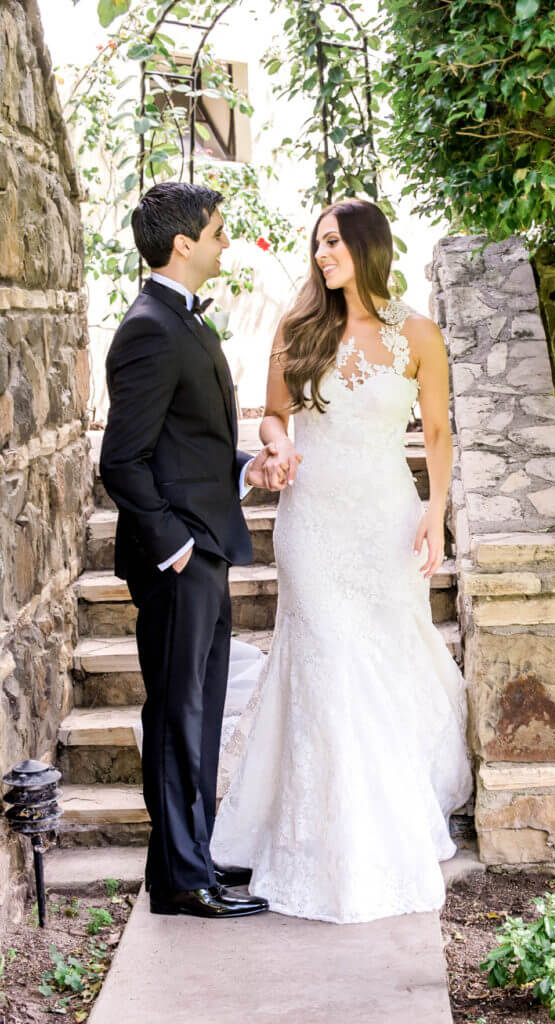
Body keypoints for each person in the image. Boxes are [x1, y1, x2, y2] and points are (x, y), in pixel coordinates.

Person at [210, 198, 473, 924]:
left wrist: (436, 512)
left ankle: (388, 808)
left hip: (386, 520)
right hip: (314, 525)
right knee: (328, 659)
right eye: (318, 243)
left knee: (384, 660)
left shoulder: (419, 333)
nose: (323, 254)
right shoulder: (299, 329)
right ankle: (327, 836)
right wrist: (276, 441)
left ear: (368, 247)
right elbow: (270, 412)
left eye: (335, 242)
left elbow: (442, 430)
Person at [100, 182, 282, 919]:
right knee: (179, 716)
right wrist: (173, 546)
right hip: (179, 558)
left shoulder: (182, 322)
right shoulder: (149, 327)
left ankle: (188, 862)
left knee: (197, 715)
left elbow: (189, 446)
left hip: (205, 546)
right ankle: (183, 881)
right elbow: (122, 461)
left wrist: (246, 470)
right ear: (183, 244)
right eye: (216, 231)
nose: (224, 242)